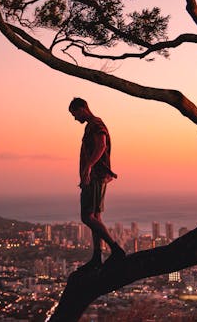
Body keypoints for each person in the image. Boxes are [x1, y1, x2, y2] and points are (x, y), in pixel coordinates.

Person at [68, 97, 126, 270]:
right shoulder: (92, 125)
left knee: (87, 217)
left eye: (75, 114)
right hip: (95, 176)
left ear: (83, 108)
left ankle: (115, 249)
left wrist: (88, 167)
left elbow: (101, 145)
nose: (75, 118)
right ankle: (97, 256)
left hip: (95, 177)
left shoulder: (95, 124)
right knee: (96, 217)